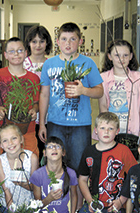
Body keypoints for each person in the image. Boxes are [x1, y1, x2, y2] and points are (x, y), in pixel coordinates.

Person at [39, 22, 103, 173]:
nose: (68, 43)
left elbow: (99, 91)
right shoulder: (49, 64)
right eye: (64, 39)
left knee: (79, 167)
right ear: (57, 41)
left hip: (80, 124)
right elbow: (44, 94)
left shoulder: (88, 63)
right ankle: (56, 196)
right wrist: (42, 123)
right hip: (55, 123)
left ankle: (77, 198)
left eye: (73, 39)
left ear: (80, 41)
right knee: (54, 165)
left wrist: (83, 90)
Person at [0, 37, 40, 167]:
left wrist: (34, 110)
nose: (16, 54)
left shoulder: (33, 78)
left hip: (27, 130)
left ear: (26, 53)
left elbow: (36, 102)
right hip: (3, 129)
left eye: (20, 50)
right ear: (5, 55)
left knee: (30, 163)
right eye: (11, 51)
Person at [77, 112, 137, 213]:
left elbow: (134, 177)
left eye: (111, 129)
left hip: (116, 206)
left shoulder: (124, 151)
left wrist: (121, 200)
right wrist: (90, 200)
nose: (106, 132)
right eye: (102, 128)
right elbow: (82, 179)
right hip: (93, 205)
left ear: (117, 131)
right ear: (95, 130)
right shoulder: (88, 151)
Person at [96, 39, 140, 138]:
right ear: (110, 56)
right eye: (117, 55)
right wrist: (107, 128)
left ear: (131, 56)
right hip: (112, 130)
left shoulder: (139, 78)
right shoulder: (103, 78)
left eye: (125, 55)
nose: (121, 59)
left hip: (133, 130)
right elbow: (103, 105)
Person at [30, 137, 77, 213]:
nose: (54, 149)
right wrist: (49, 198)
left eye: (58, 147)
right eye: (50, 147)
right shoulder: (37, 175)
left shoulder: (71, 173)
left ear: (63, 153)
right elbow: (37, 205)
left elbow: (74, 196)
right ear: (44, 153)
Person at [23, 25, 52, 162]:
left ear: (47, 43)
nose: (38, 45)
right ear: (28, 43)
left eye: (42, 41)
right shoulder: (22, 64)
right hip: (27, 117)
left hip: (48, 117)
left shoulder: (52, 64)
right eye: (34, 41)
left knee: (45, 153)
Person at [0, 124, 39, 209]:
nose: (10, 143)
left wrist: (24, 184)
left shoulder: (32, 158)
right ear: (1, 145)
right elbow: (6, 191)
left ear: (21, 139)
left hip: (29, 206)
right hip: (7, 205)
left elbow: (36, 188)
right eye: (5, 141)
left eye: (14, 138)